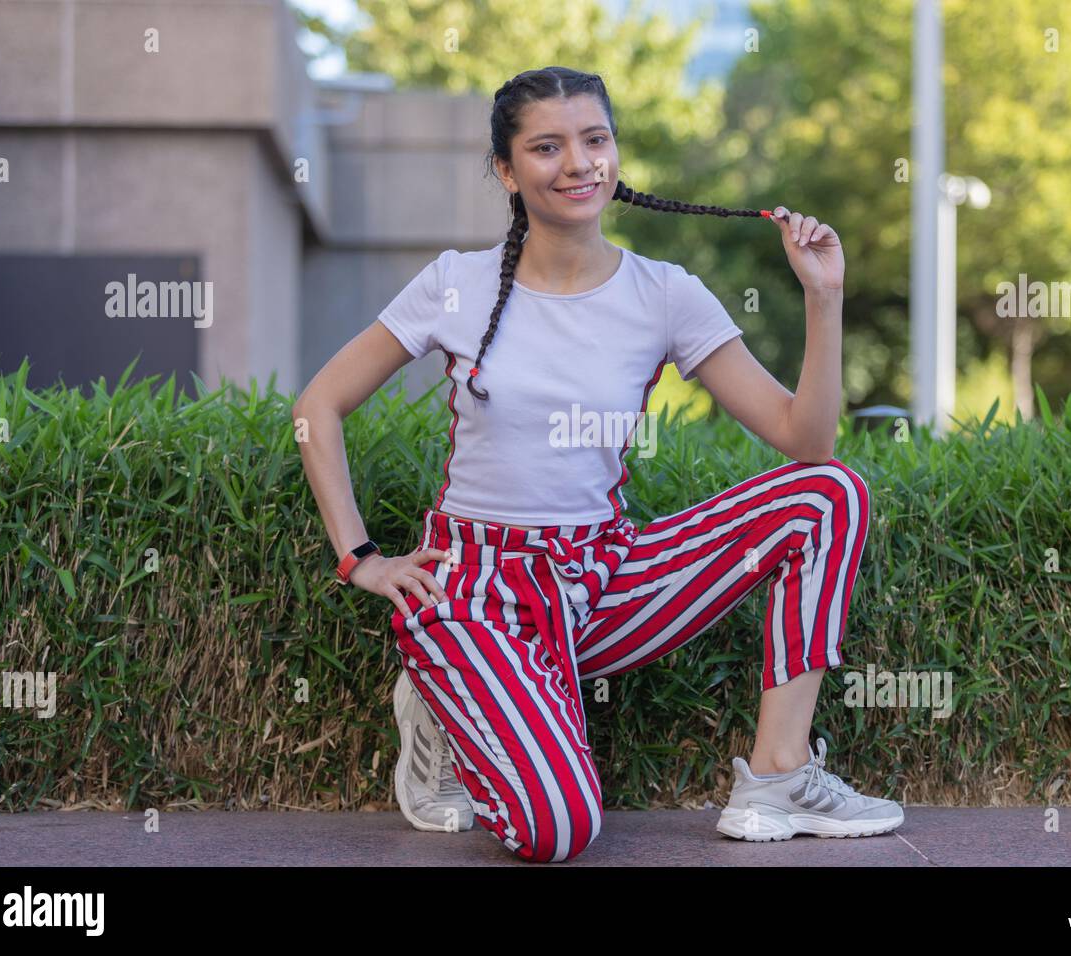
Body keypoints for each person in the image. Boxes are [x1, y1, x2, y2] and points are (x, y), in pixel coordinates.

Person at [292, 66, 903, 863]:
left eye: (595, 139)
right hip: (477, 590)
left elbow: (804, 439)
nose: (579, 163)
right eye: (547, 147)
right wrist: (360, 557)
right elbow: (318, 407)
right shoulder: (456, 284)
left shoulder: (666, 294)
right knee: (559, 832)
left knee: (829, 494)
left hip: (601, 579)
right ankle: (448, 693)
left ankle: (779, 776)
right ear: (507, 172)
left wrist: (824, 298)